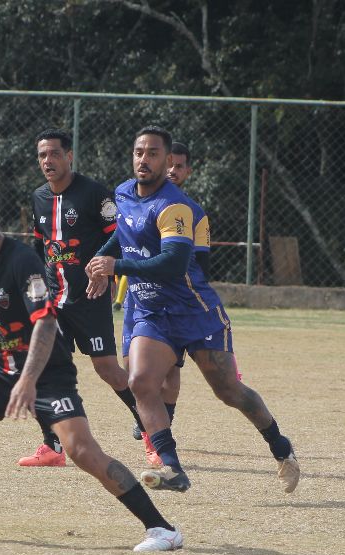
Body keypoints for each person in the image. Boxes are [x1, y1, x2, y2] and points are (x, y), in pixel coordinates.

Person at [0, 186, 182, 551]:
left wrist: (28, 381)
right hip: (2, 368)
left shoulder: (22, 261)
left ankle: (163, 530)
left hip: (48, 376)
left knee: (84, 452)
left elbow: (44, 322)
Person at [86, 126, 300, 494]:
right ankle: (171, 467)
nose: (143, 159)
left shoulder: (175, 206)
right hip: (154, 314)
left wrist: (116, 267)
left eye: (153, 153)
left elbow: (174, 264)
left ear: (168, 160)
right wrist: (102, 259)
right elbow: (124, 232)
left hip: (195, 313)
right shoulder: (123, 193)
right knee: (140, 382)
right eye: (139, 152)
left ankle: (281, 447)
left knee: (229, 391)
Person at [18, 128, 146, 467]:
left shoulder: (94, 194)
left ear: (69, 156)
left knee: (108, 370)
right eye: (42, 155)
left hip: (90, 297)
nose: (48, 161)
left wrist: (107, 272)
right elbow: (40, 246)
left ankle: (151, 429)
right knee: (41, 366)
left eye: (54, 154)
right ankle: (52, 446)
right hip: (53, 301)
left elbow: (121, 237)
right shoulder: (38, 197)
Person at [121, 141, 211, 465]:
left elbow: (200, 266)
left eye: (179, 166)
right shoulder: (134, 200)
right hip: (137, 298)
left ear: (188, 172)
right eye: (169, 164)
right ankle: (152, 425)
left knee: (170, 372)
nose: (172, 170)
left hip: (173, 305)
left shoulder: (193, 213)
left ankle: (159, 438)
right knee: (131, 369)